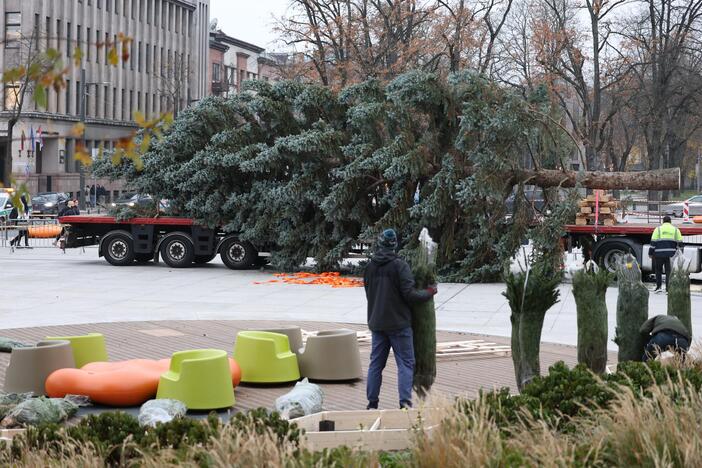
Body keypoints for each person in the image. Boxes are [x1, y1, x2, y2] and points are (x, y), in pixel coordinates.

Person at [364, 228, 437, 410]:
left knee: (376, 364)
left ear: (380, 243)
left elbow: (369, 293)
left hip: (377, 323)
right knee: (405, 364)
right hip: (398, 324)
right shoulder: (399, 266)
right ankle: (404, 404)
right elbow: (410, 295)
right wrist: (429, 292)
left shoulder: (370, 267)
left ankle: (372, 403)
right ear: (395, 245)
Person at [649, 215, 683, 292]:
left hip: (658, 254)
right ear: (670, 222)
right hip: (670, 255)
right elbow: (680, 243)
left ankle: (658, 287)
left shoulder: (658, 229)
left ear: (663, 221)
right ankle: (668, 289)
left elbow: (653, 243)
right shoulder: (675, 230)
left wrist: (650, 253)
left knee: (658, 270)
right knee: (669, 271)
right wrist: (680, 254)